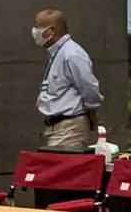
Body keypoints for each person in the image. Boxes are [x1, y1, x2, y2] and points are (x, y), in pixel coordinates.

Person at [34, 8, 101, 152]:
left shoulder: (72, 54)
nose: (34, 30)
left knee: (60, 172)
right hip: (55, 128)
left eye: (37, 26)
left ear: (50, 31)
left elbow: (90, 88)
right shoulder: (57, 53)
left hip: (69, 129)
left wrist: (92, 114)